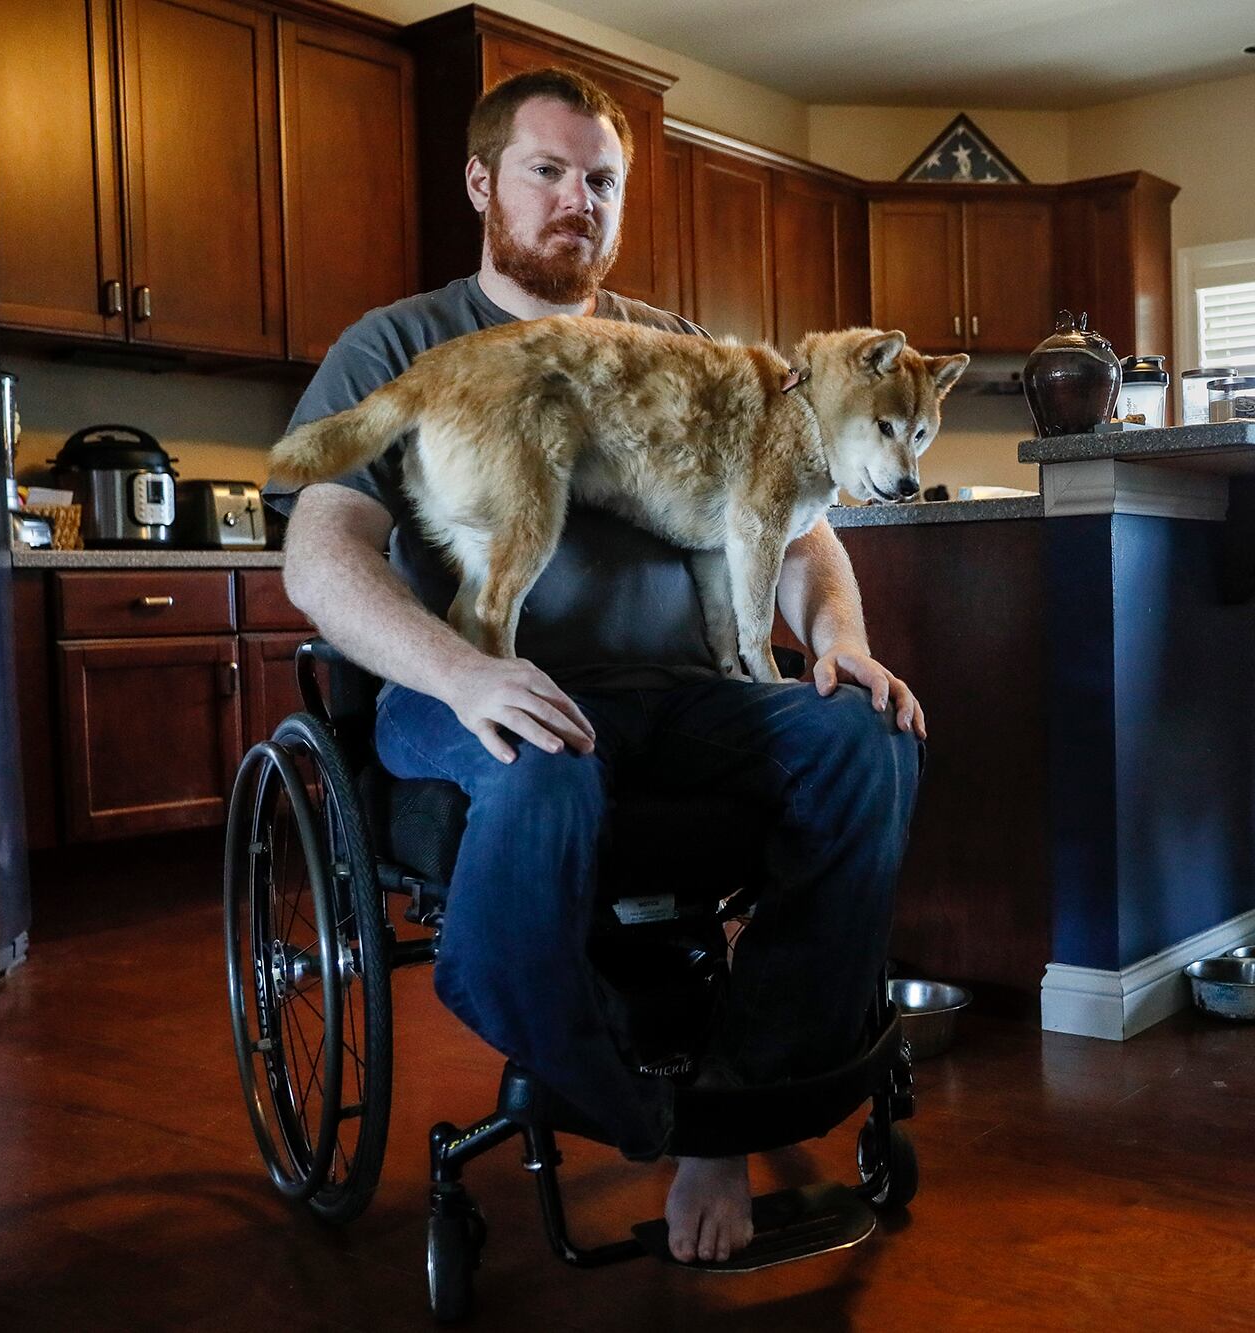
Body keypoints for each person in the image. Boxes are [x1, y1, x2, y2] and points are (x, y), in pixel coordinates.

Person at [267, 68, 926, 1262]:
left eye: (603, 181)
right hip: (457, 695)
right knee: (542, 754)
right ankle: (621, 1093)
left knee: (864, 736)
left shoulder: (678, 344)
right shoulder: (402, 342)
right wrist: (466, 678)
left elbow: (800, 536)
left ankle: (733, 1106)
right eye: (550, 170)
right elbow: (319, 559)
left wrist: (841, 643)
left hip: (684, 701)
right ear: (482, 182)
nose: (581, 199)